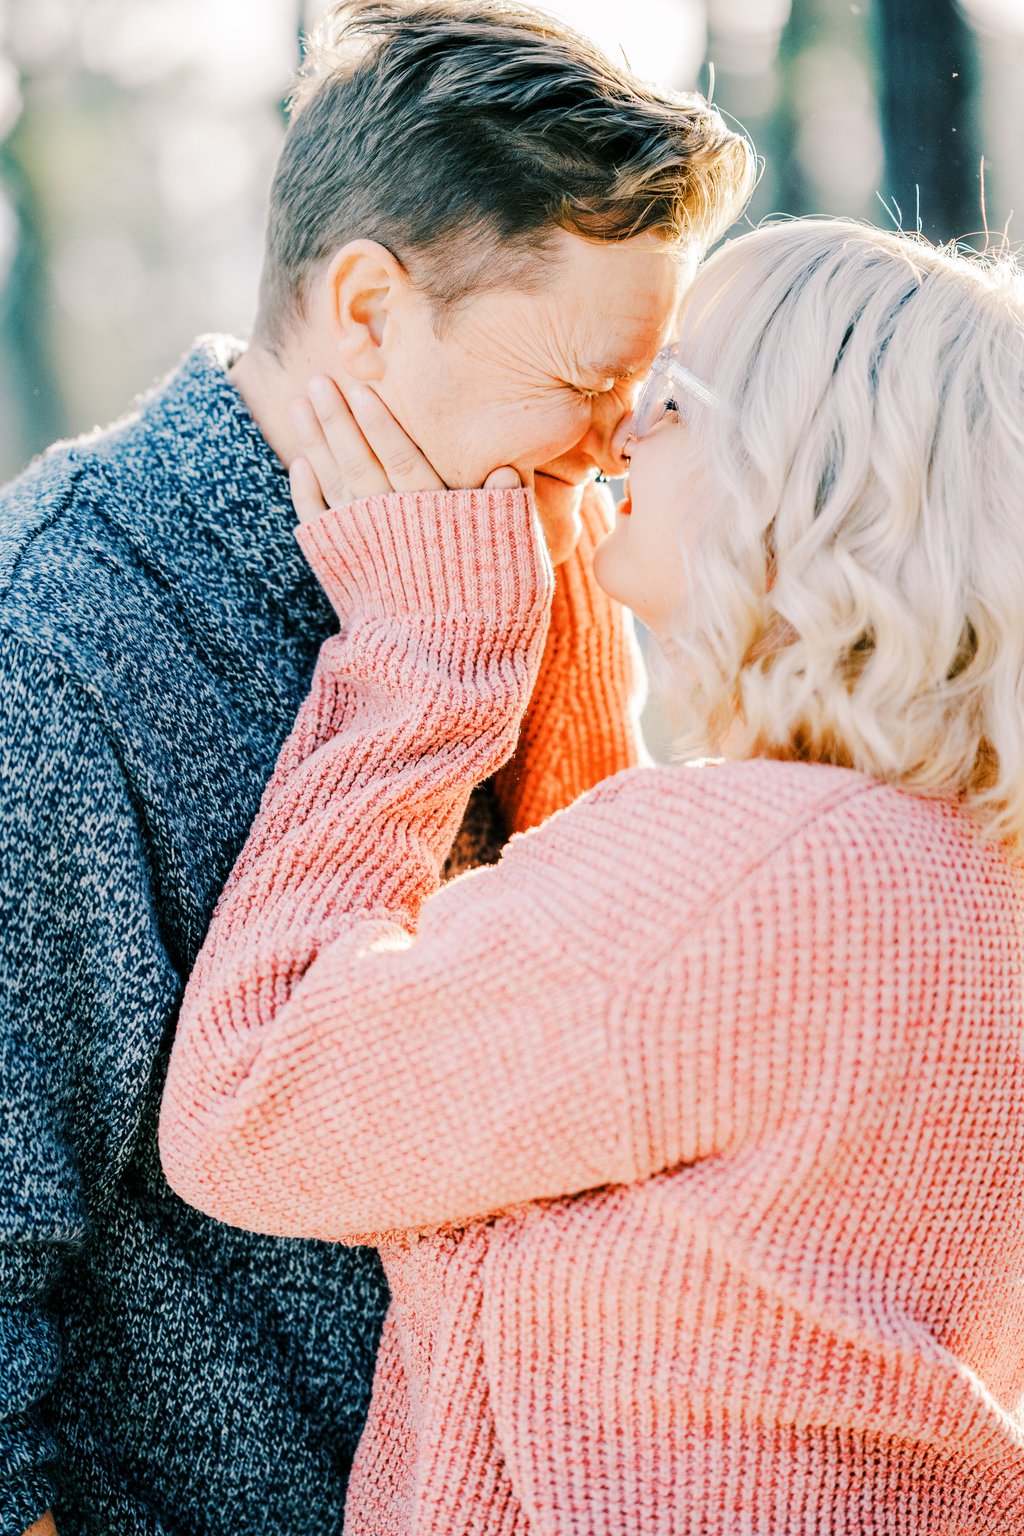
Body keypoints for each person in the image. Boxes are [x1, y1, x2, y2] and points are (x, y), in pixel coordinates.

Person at [0, 1, 753, 1530]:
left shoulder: (527, 564)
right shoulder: (59, 653)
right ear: (366, 309)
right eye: (575, 393)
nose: (609, 458)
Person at [160, 217, 1024, 1535]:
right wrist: (565, 611)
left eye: (670, 398)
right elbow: (601, 1035)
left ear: (794, 472)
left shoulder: (752, 876)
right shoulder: (952, 872)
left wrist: (428, 660)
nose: (616, 437)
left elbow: (245, 1107)